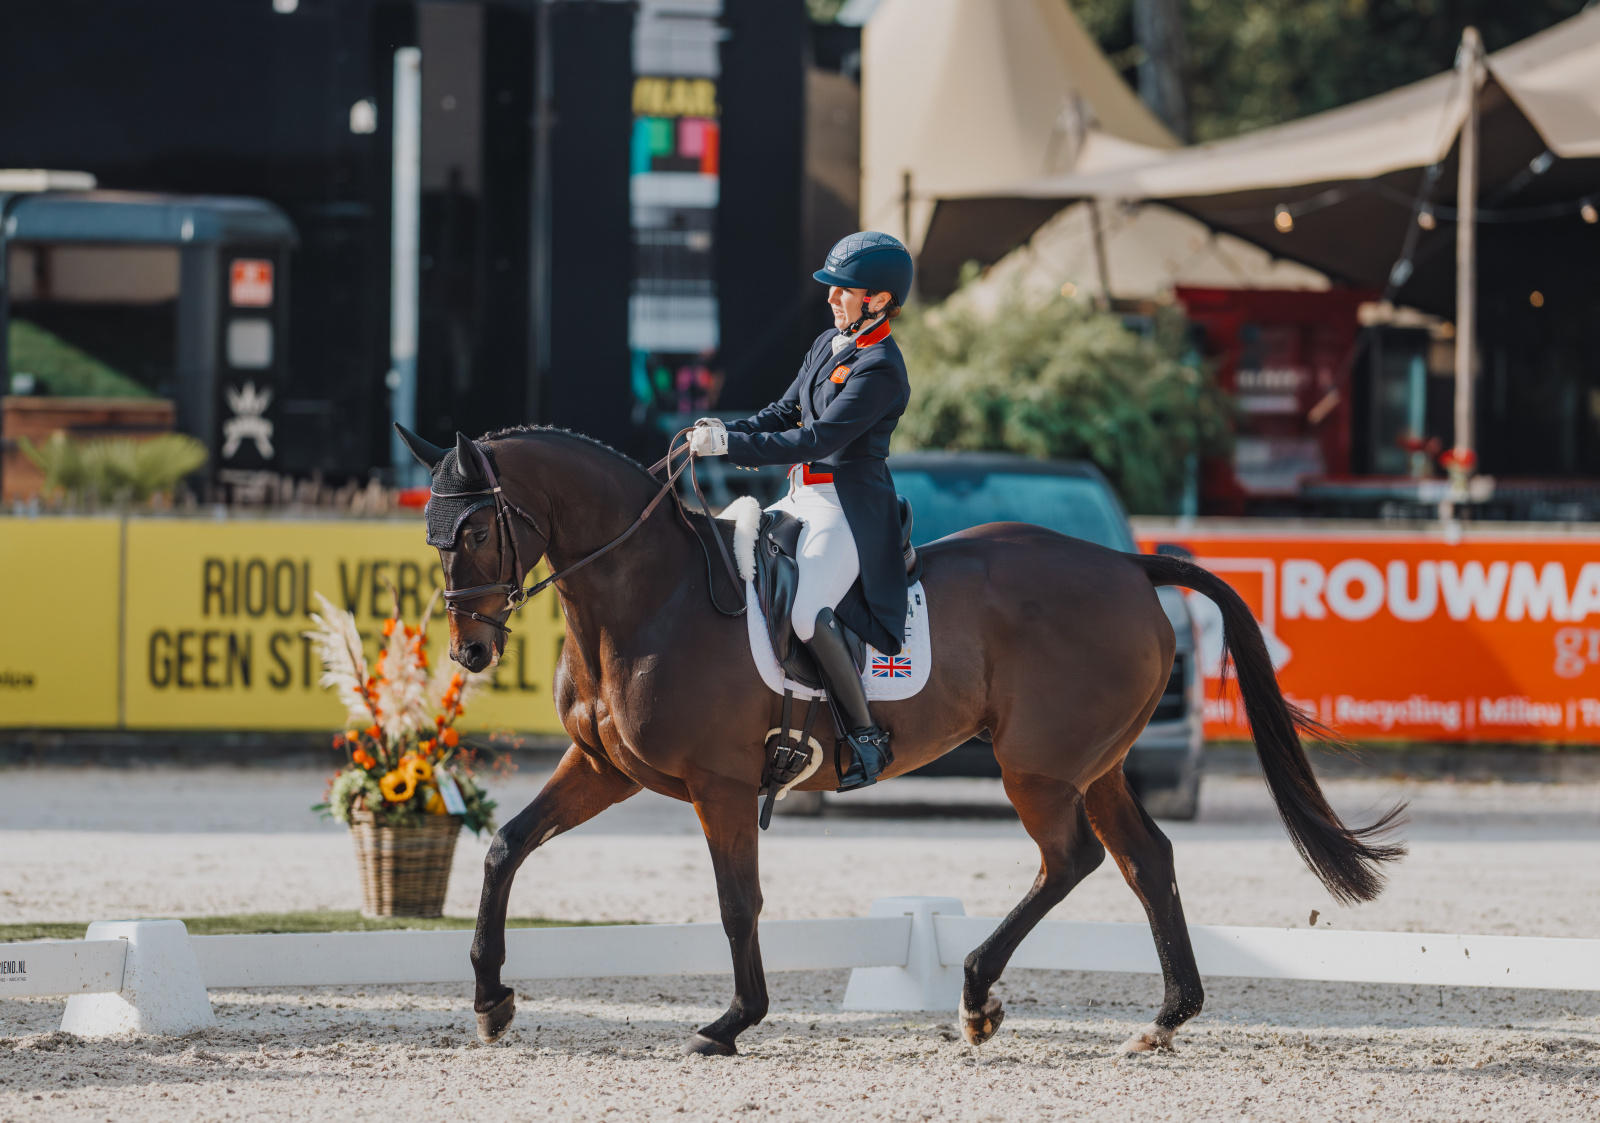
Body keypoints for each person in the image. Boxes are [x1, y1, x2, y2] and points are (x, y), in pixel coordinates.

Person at [689, 231, 914, 790]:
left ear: (879, 300)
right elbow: (784, 410)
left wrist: (732, 450)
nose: (832, 298)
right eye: (833, 289)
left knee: (808, 608)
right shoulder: (828, 342)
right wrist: (725, 430)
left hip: (846, 507)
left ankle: (865, 736)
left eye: (844, 290)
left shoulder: (882, 367)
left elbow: (815, 439)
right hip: (798, 496)